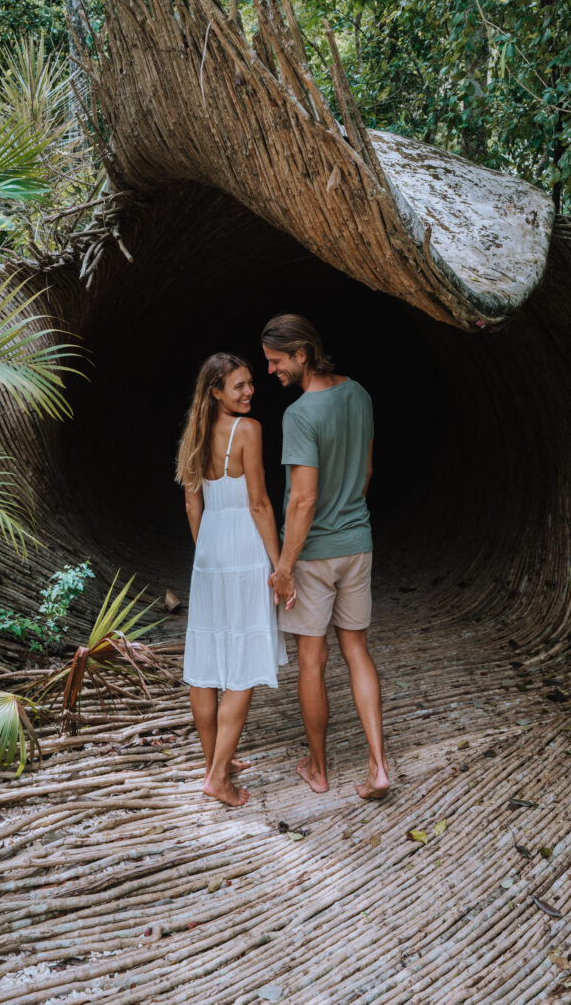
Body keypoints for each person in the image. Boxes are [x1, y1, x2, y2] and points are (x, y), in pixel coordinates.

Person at [261, 314, 390, 800]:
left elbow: (302, 500)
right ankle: (378, 765)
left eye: (276, 361)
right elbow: (368, 468)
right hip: (357, 544)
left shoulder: (299, 414)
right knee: (357, 650)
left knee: (311, 661)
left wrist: (285, 567)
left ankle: (318, 770)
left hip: (313, 555)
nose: (271, 370)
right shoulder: (359, 394)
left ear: (302, 354)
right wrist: (348, 514)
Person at [176, 353, 287, 807]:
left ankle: (212, 761)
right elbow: (260, 504)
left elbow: (191, 505)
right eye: (239, 386)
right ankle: (218, 778)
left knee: (205, 665)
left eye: (250, 384)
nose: (249, 392)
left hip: (210, 552)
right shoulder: (249, 430)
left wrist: (207, 553)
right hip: (244, 546)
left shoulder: (194, 434)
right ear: (216, 391)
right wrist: (280, 568)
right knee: (240, 663)